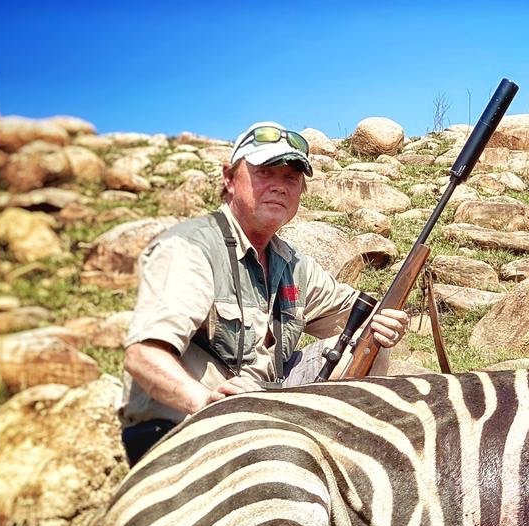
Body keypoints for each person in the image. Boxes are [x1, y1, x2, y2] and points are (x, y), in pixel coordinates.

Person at [118, 120, 408, 465]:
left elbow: (355, 315)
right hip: (182, 427)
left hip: (259, 414)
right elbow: (143, 356)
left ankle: (341, 466)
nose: (279, 187)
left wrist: (387, 322)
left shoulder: (291, 263)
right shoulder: (191, 248)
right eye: (265, 172)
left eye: (291, 178)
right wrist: (203, 399)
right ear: (229, 178)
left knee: (366, 345)